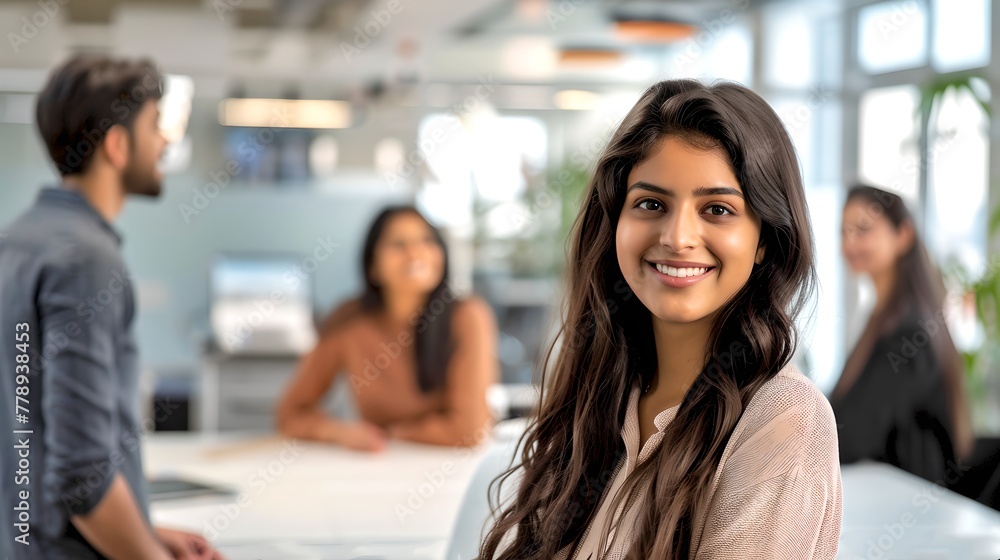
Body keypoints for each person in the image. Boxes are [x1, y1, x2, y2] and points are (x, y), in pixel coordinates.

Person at [478, 80, 842, 559]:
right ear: (616, 224)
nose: (677, 237)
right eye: (651, 204)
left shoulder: (783, 418)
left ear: (764, 241)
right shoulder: (603, 391)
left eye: (717, 209)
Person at [0, 55, 223, 559]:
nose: (165, 141)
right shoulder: (87, 260)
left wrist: (145, 529)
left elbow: (27, 433)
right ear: (117, 146)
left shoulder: (17, 242)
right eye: (154, 126)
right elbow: (82, 476)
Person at [277, 206, 499, 451]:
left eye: (427, 240)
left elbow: (469, 431)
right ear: (373, 266)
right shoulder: (349, 320)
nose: (416, 253)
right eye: (398, 244)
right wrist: (340, 432)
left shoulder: (468, 316)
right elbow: (290, 413)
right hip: (380, 468)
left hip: (452, 468)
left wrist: (391, 433)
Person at [832, 185, 974, 483]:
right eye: (844, 232)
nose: (849, 243)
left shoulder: (909, 332)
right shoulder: (883, 318)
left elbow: (857, 433)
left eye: (863, 229)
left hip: (907, 502)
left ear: (903, 235)